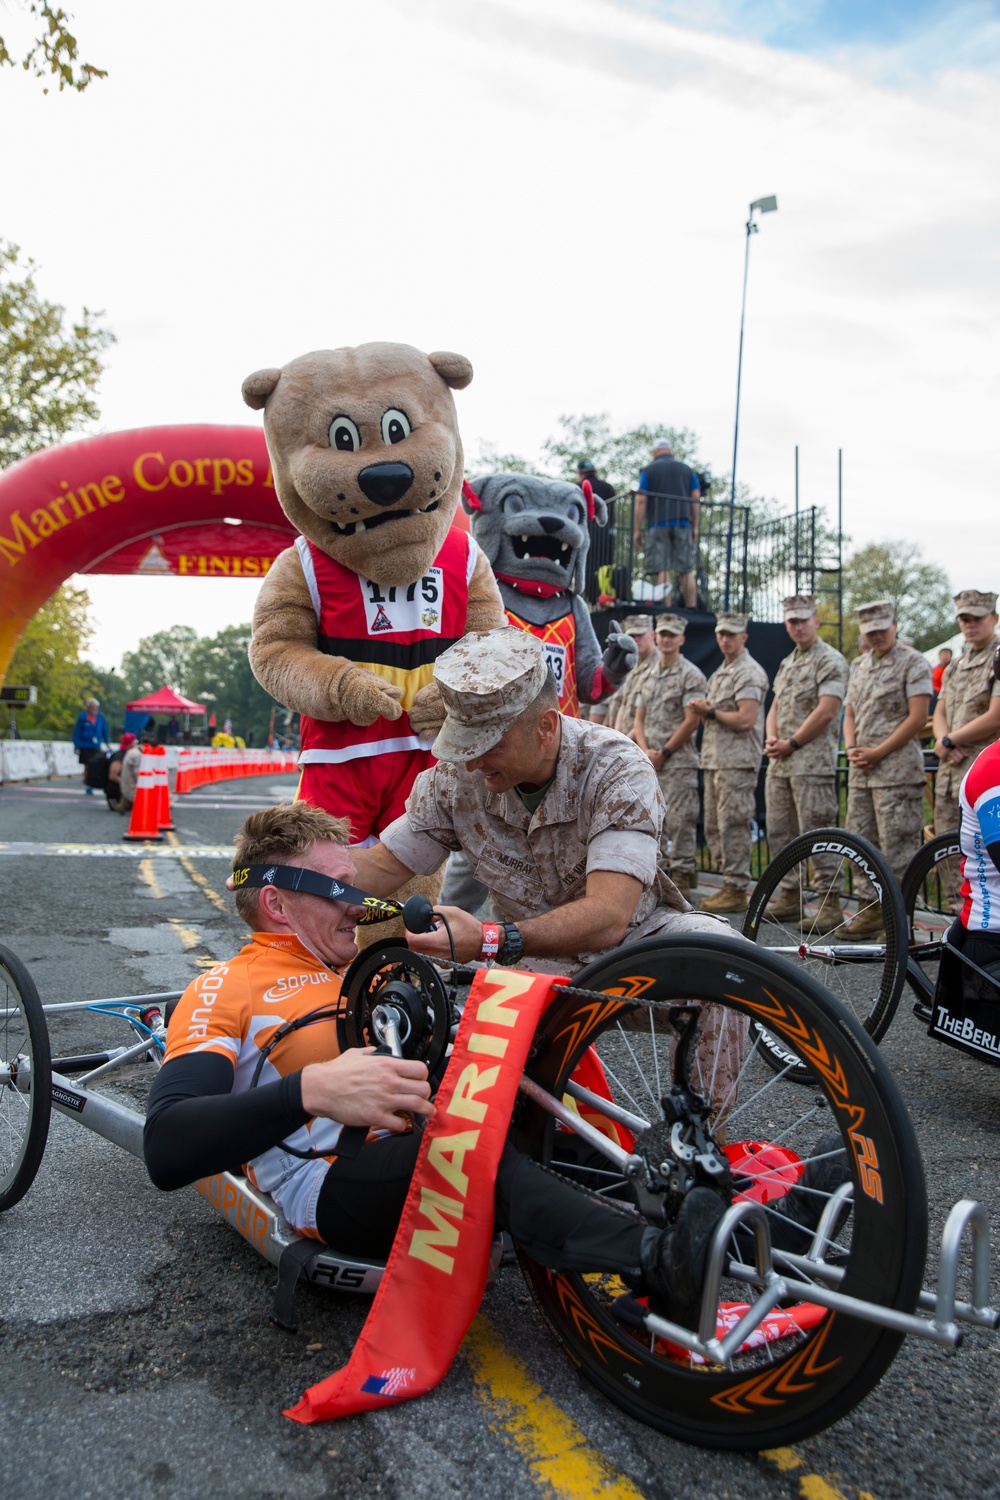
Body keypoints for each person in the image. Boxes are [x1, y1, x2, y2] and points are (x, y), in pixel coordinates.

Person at [145, 801, 738, 1328]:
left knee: (569, 1150)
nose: (357, 908)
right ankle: (658, 1264)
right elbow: (169, 1143)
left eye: (356, 887)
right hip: (330, 1177)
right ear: (275, 902)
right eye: (337, 891)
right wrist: (309, 1090)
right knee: (469, 1158)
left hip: (426, 1134)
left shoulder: (360, 968)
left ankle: (770, 1227)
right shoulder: (226, 986)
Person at [349, 628, 729, 977]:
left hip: (632, 950)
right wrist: (300, 870)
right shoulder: (456, 778)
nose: (471, 761)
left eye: (489, 744)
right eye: (464, 742)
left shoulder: (616, 769)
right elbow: (382, 866)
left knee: (724, 957)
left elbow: (610, 915)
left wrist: (490, 938)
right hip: (528, 964)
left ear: (545, 727)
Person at [842, 601, 932, 940]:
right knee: (862, 842)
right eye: (870, 631)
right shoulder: (860, 664)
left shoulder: (913, 662)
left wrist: (879, 751)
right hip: (862, 771)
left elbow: (918, 716)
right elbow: (849, 712)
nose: (877, 635)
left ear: (894, 625)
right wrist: (851, 746)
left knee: (897, 848)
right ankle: (870, 910)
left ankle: (899, 920)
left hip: (896, 771)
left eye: (882, 628)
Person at [763, 596, 849, 932]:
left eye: (803, 620)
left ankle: (829, 904)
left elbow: (828, 710)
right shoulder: (789, 662)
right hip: (782, 761)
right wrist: (773, 739)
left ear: (816, 621)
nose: (797, 626)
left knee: (817, 833)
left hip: (810, 762)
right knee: (780, 832)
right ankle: (790, 895)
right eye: (791, 621)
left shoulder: (829, 660)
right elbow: (776, 705)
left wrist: (792, 742)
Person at [688, 613, 769, 915]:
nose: (725, 639)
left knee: (733, 823)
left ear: (744, 637)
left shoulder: (748, 671)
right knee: (714, 825)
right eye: (721, 633)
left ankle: (736, 887)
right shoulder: (723, 671)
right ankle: (727, 882)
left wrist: (709, 712)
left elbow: (745, 719)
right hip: (716, 760)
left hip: (736, 762)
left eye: (732, 634)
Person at [630, 613, 707, 903]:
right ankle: (656, 879)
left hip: (678, 760)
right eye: (662, 633)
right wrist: (645, 749)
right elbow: (640, 716)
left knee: (681, 820)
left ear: (681, 639)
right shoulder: (648, 674)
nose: (666, 639)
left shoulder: (691, 674)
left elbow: (691, 721)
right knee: (652, 819)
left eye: (672, 634)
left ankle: (684, 878)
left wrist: (664, 752)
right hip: (650, 758)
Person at [932, 590, 1000, 839]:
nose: (970, 625)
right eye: (964, 619)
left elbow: (995, 716)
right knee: (946, 850)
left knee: (986, 856)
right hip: (950, 770)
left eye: (977, 618)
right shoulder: (954, 666)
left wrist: (950, 740)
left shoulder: (998, 659)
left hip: (987, 774)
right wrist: (943, 742)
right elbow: (940, 711)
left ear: (994, 618)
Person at [632, 438, 701, 608]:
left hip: (658, 524)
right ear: (670, 450)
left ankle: (666, 610)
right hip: (683, 523)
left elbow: (641, 499)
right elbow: (695, 498)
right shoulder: (687, 470)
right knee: (685, 569)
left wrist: (637, 529)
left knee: (662, 568)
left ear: (655, 452)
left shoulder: (648, 470)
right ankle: (691, 609)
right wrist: (695, 526)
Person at [593, 613, 657, 732]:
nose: (635, 639)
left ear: (652, 635)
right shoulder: (628, 664)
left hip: (643, 740)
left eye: (640, 634)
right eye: (631, 635)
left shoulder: (659, 665)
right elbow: (620, 702)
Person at [72, 697, 110, 795]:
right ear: (88, 707)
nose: (93, 709)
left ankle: (91, 781)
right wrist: (77, 747)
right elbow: (77, 732)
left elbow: (104, 730)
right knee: (87, 764)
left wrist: (107, 742)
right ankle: (88, 783)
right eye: (91, 707)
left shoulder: (100, 717)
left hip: (96, 744)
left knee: (95, 763)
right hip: (85, 745)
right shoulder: (82, 717)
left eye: (95, 707)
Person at [107, 733, 143, 814]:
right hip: (115, 791)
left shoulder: (127, 753)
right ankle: (124, 803)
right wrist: (129, 784)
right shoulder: (119, 756)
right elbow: (113, 776)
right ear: (131, 743)